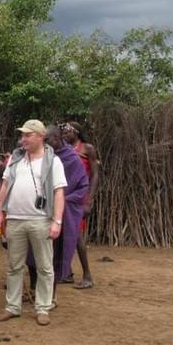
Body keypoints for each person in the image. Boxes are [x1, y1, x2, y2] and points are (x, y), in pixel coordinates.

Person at [0, 120, 66, 326]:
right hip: (15, 219)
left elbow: (59, 192)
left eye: (28, 135)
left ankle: (43, 307)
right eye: (23, 135)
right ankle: (12, 307)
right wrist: (0, 211)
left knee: (44, 266)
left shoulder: (53, 161)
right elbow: (5, 185)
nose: (23, 139)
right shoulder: (16, 159)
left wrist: (57, 221)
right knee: (14, 266)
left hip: (41, 220)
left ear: (40, 136)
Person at [27, 126, 89, 304]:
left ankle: (51, 296)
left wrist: (63, 200)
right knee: (32, 252)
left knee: (54, 255)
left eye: (49, 140)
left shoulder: (72, 159)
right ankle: (33, 289)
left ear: (58, 137)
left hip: (62, 212)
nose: (46, 144)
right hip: (38, 211)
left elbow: (82, 186)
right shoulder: (40, 156)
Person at [61, 121, 98, 289]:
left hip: (79, 197)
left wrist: (88, 199)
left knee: (76, 236)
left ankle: (88, 275)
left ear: (76, 132)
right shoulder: (63, 150)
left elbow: (95, 175)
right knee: (62, 233)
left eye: (68, 131)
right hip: (64, 197)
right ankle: (66, 273)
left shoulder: (87, 148)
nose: (65, 134)